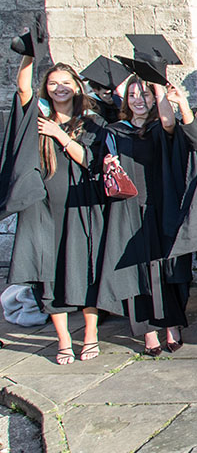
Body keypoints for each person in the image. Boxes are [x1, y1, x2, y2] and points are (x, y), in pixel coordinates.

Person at [8, 59, 115, 364]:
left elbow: (91, 162)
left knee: (87, 269)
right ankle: (64, 339)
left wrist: (60, 134)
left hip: (81, 206)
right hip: (44, 211)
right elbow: (22, 88)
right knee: (49, 273)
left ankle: (91, 334)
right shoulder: (38, 118)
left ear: (76, 87)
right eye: (53, 83)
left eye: (66, 82)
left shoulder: (92, 122)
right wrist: (28, 56)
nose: (59, 88)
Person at [101, 77, 197, 356]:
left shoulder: (160, 128)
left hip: (162, 205)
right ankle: (146, 329)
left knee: (167, 268)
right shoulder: (114, 132)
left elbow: (170, 123)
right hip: (129, 208)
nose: (138, 99)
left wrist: (159, 87)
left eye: (144, 94)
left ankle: (172, 324)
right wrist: (108, 164)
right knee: (137, 270)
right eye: (132, 94)